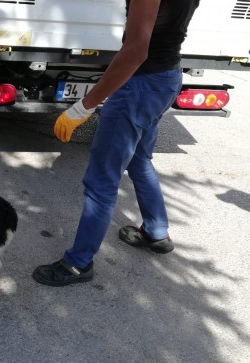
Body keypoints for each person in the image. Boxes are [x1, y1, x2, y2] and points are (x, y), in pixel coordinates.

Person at [32, 0, 201, 286]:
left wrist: (83, 107)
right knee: (138, 159)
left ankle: (78, 264)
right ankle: (156, 232)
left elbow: (136, 50)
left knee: (101, 181)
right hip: (167, 76)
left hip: (141, 85)